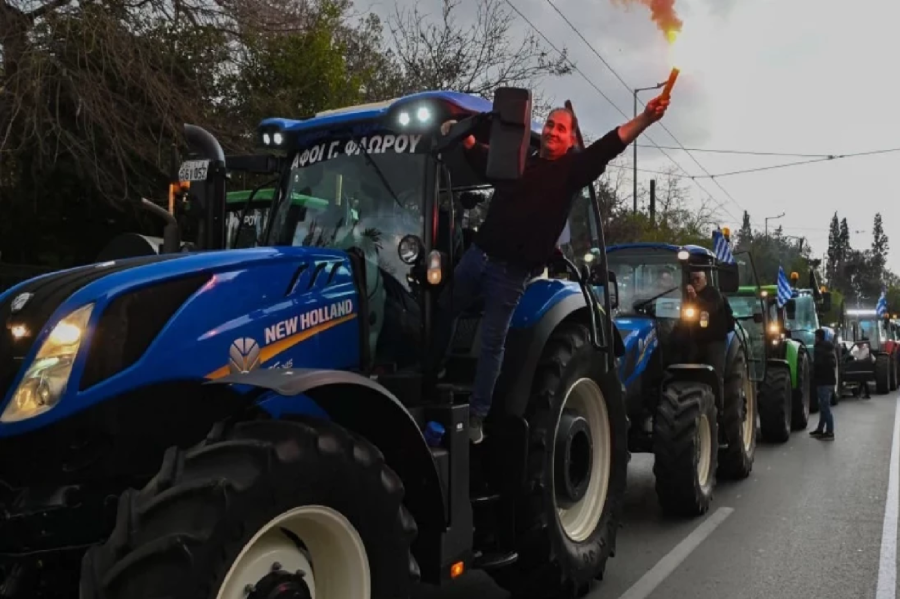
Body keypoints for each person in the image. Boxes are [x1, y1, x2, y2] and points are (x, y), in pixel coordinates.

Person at [433, 96, 671, 443]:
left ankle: (477, 415)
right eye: (549, 125)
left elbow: (610, 144)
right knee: (441, 310)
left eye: (561, 128)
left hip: (510, 273)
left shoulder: (570, 171)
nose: (552, 132)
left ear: (571, 140)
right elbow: (480, 154)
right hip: (477, 257)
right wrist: (458, 131)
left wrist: (645, 118)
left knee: (492, 341)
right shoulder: (516, 163)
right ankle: (431, 375)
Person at [685, 270, 730, 403]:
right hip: (693, 341)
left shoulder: (714, 294)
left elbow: (710, 309)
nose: (695, 282)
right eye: (692, 279)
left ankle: (719, 409)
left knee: (714, 375)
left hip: (713, 341)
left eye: (698, 278)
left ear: (705, 279)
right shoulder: (684, 295)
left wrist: (694, 297)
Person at [811, 328, 837, 439]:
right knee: (823, 407)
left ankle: (830, 432)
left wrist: (813, 375)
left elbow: (818, 365)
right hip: (830, 381)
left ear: (818, 337)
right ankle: (820, 429)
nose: (814, 338)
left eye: (815, 336)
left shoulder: (819, 349)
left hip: (823, 382)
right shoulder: (829, 348)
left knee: (825, 408)